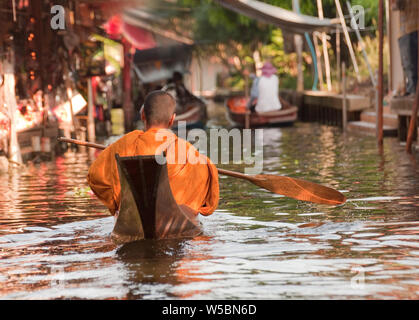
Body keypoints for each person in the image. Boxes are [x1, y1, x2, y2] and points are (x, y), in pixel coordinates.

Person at [87, 90, 219, 217]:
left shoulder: (124, 144)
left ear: (143, 115)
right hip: (172, 216)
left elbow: (95, 176)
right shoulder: (187, 151)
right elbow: (208, 195)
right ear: (172, 119)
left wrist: (117, 201)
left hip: (133, 212)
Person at [393, 0, 418, 95]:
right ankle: (412, 90)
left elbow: (397, 5)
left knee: (410, 65)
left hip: (408, 30)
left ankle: (413, 92)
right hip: (408, 30)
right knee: (409, 65)